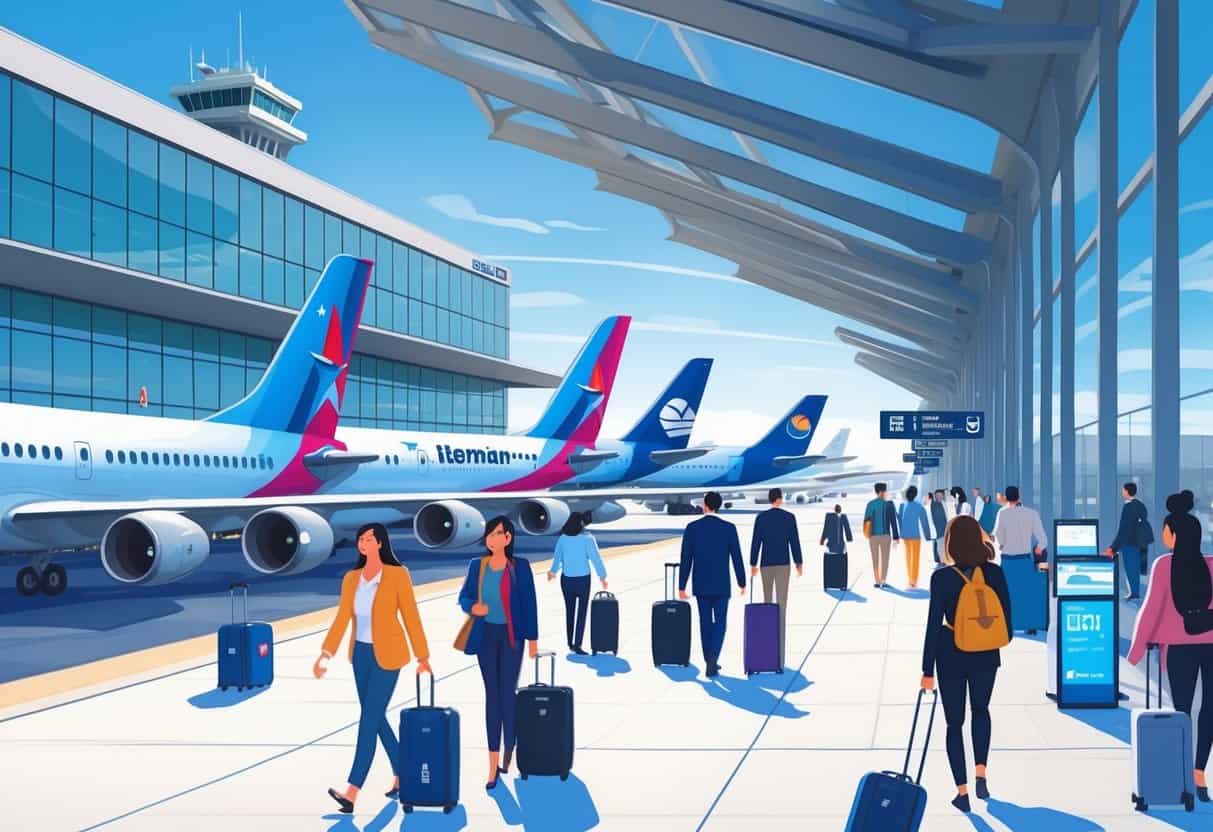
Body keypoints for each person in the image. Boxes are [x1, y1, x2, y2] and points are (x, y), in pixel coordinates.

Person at [314, 523, 432, 814]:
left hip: (389, 655)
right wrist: (326, 653)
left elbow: (411, 615)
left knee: (368, 721)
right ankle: (403, 773)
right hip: (361, 655)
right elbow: (342, 617)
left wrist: (422, 656)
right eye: (360, 539)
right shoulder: (351, 578)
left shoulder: (397, 575)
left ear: (380, 543)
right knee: (376, 718)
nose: (362, 543)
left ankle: (352, 791)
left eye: (368, 539)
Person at [921, 515, 1013, 814]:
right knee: (981, 711)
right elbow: (1008, 622)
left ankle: (962, 792)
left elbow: (933, 626)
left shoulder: (941, 578)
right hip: (987, 655)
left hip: (950, 654)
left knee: (954, 723)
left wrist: (927, 670)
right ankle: (981, 774)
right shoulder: (995, 573)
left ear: (950, 543)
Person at [1127, 490, 1213, 802]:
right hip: (1211, 644)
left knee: (1182, 711)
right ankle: (1199, 771)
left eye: (1165, 531)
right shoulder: (1211, 565)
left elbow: (1151, 611)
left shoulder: (1165, 565)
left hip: (1180, 648)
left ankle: (1183, 772)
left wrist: (1135, 652)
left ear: (1173, 533)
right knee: (1210, 708)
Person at [458, 516, 539, 790]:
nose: (492, 539)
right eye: (489, 534)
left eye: (498, 534)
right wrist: (473, 607)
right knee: (492, 696)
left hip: (512, 637)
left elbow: (529, 603)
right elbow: (464, 596)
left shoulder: (520, 567)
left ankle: (509, 748)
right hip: (486, 636)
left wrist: (533, 640)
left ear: (508, 538)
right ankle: (493, 764)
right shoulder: (477, 566)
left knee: (508, 694)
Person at [679, 491, 746, 678]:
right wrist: (741, 581)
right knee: (721, 623)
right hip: (721, 584)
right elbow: (736, 557)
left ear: (705, 505)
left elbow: (686, 559)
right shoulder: (729, 528)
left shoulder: (692, 528)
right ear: (719, 505)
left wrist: (682, 585)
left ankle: (708, 658)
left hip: (701, 584)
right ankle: (713, 658)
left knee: (705, 623)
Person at [750, 487, 804, 667]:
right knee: (782, 602)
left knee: (767, 601)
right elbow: (794, 541)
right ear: (780, 499)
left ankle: (767, 639)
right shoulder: (789, 518)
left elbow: (756, 542)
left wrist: (753, 564)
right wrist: (798, 562)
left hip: (766, 564)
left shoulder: (761, 518)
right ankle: (779, 641)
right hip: (783, 564)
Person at [548, 511, 608, 655]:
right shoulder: (588, 539)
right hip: (583, 580)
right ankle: (577, 644)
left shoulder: (563, 539)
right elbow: (596, 559)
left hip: (566, 579)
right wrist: (602, 576)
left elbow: (557, 558)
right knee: (581, 612)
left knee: (569, 611)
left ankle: (569, 642)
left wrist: (553, 572)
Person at [991, 486, 1048, 633]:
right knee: (1026, 594)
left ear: (1006, 498)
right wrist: (1039, 548)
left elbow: (998, 535)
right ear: (1019, 497)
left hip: (1008, 561)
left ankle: (1009, 625)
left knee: (1008, 594)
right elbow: (1043, 539)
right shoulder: (1031, 513)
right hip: (1024, 560)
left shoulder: (1002, 513)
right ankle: (1029, 625)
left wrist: (1003, 544)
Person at [1104, 482, 1152, 601]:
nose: (1122, 492)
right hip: (1140, 541)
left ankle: (1133, 594)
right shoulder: (1140, 505)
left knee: (1130, 568)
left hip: (1129, 542)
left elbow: (1124, 529)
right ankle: (1136, 593)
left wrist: (1113, 547)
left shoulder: (1128, 507)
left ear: (1126, 491)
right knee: (1136, 568)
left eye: (1123, 490)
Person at [863, 482, 900, 587]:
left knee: (875, 559)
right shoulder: (889, 504)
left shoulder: (870, 504)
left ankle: (877, 581)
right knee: (885, 559)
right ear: (882, 492)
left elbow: (866, 520)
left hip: (873, 536)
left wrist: (867, 533)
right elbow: (893, 522)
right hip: (885, 536)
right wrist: (896, 537)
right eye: (886, 491)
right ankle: (883, 580)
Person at [897, 486, 933, 588]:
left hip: (905, 535)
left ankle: (910, 579)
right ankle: (914, 581)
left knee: (908, 557)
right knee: (915, 558)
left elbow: (899, 520)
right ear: (915, 495)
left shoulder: (902, 506)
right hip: (915, 535)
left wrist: (900, 533)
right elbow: (924, 522)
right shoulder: (919, 506)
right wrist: (928, 536)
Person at [930, 489, 950, 565]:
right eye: (936, 495)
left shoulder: (945, 504)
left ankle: (946, 561)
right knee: (940, 547)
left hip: (946, 528)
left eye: (940, 495)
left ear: (943, 496)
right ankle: (943, 562)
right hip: (938, 530)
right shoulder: (933, 505)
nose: (938, 497)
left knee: (946, 547)